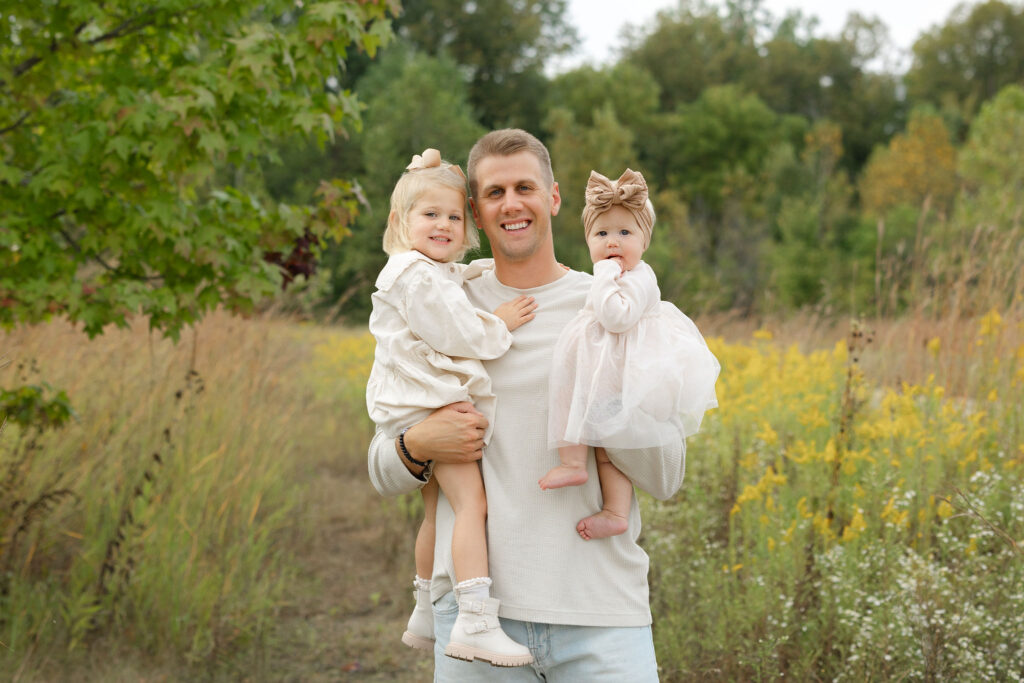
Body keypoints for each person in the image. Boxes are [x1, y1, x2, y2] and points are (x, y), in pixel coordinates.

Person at [368, 129, 684, 681]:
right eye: (494, 193)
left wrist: (610, 404)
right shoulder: (435, 306)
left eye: (525, 187)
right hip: (474, 626)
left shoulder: (613, 308)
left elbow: (667, 476)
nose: (511, 203)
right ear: (473, 212)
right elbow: (382, 467)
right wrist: (417, 445)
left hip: (601, 617)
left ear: (554, 198)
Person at [365, 148, 538, 667]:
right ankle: (476, 620)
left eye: (453, 217)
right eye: (429, 215)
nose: (442, 225)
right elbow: (457, 330)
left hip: (414, 406)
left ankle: (423, 606)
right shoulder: (415, 276)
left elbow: (452, 284)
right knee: (471, 506)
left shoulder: (426, 271)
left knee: (437, 511)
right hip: (431, 408)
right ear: (401, 222)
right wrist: (501, 320)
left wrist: (483, 270)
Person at [540, 169, 720, 541]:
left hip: (630, 375)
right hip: (604, 369)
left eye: (625, 233)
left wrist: (604, 275)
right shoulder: (607, 276)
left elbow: (617, 317)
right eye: (601, 234)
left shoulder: (640, 277)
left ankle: (615, 510)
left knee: (613, 448)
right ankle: (574, 463)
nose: (613, 243)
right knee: (571, 405)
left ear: (644, 240)